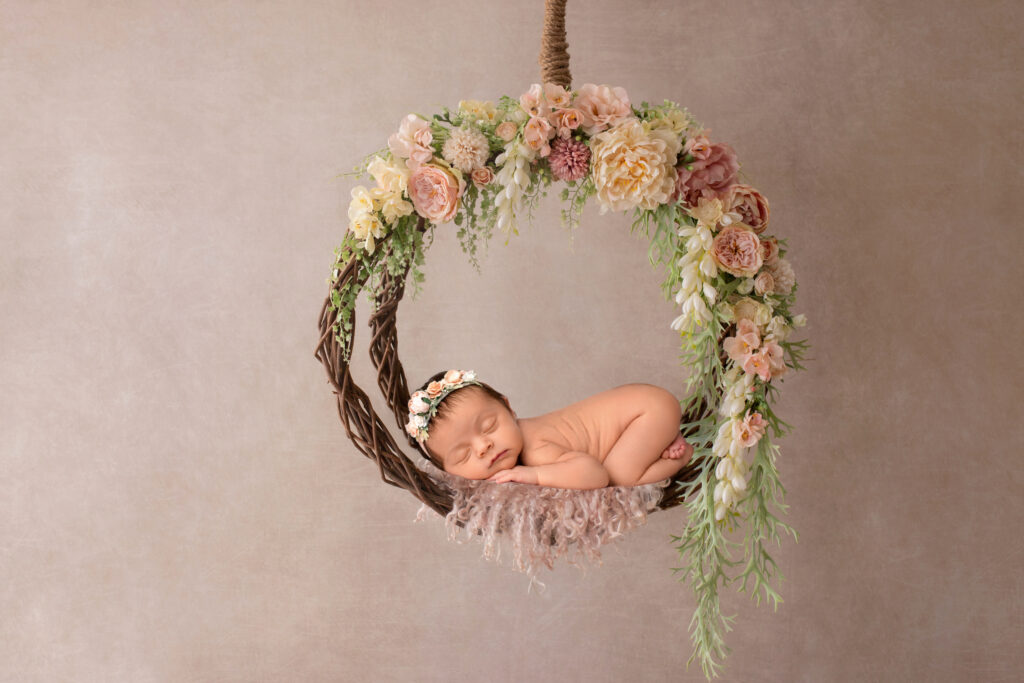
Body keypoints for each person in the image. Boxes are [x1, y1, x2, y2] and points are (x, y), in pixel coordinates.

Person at [405, 369, 693, 490]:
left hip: (647, 411)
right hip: (639, 406)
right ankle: (659, 439)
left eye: (490, 426)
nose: (483, 447)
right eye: (463, 455)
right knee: (620, 459)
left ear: (509, 407)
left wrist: (532, 475)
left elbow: (595, 475)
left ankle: (680, 456)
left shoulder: (534, 447)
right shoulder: (516, 440)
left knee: (620, 477)